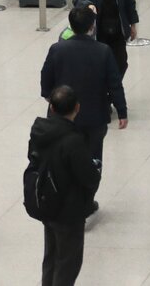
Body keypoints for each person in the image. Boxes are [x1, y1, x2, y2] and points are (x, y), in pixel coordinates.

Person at [29, 87, 101, 286]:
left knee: (51, 259)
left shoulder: (39, 132)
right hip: (69, 212)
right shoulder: (73, 141)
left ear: (51, 107)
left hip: (46, 203)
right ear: (77, 108)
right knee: (67, 265)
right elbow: (89, 177)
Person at [40, 7, 127, 162]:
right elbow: (115, 84)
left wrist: (50, 97)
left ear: (71, 26)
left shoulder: (57, 49)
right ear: (92, 26)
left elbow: (45, 78)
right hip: (94, 118)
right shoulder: (104, 51)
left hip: (62, 114)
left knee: (62, 159)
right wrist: (122, 111)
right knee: (92, 160)